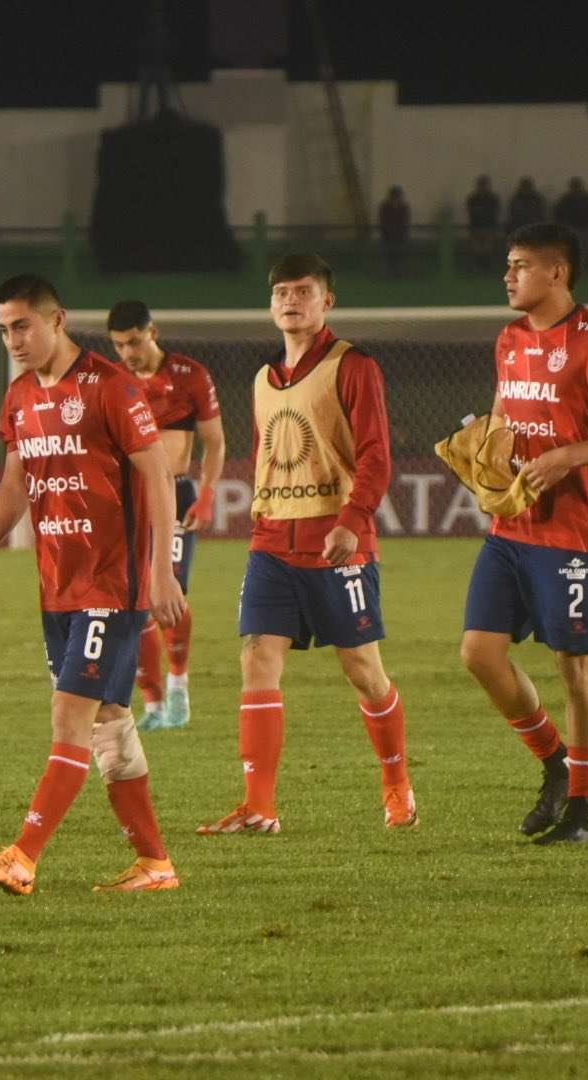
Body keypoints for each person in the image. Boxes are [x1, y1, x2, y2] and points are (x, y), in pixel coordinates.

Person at [0, 274, 187, 896]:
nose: (13, 340)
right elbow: (14, 484)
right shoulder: (21, 396)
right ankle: (155, 864)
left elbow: (159, 476)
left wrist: (161, 568)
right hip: (58, 585)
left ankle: (23, 855)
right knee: (109, 719)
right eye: (4, 329)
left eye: (22, 325)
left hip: (112, 585)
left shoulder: (111, 386)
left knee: (69, 714)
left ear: (57, 321)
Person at [198, 254, 418, 836]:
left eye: (303, 291)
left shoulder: (353, 366)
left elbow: (375, 454)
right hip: (271, 541)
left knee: (363, 670)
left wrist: (354, 517)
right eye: (281, 293)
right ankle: (259, 806)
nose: (290, 301)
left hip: (337, 540)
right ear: (271, 305)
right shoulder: (262, 380)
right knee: (256, 657)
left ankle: (396, 783)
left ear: (328, 302)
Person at [459, 223, 588, 845]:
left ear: (557, 273)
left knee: (574, 666)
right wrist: (485, 449)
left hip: (576, 535)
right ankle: (555, 764)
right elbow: (505, 412)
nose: (508, 276)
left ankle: (582, 812)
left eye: (519, 265)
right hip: (512, 526)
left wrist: (569, 456)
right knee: (479, 653)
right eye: (507, 265)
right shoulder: (510, 338)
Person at [105, 299, 225, 731]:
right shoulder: (114, 380)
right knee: (131, 605)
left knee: (166, 596)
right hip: (128, 500)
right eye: (119, 345)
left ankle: (178, 687)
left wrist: (207, 494)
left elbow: (215, 442)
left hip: (174, 493)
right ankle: (154, 705)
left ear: (152, 333)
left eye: (134, 342)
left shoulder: (189, 376)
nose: (127, 353)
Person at [551, 177, 588, 249]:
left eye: (577, 186)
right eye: (575, 186)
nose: (576, 188)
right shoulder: (566, 199)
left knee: (586, 247)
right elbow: (559, 214)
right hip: (573, 227)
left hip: (586, 227)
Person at [376, 185, 411, 276]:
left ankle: (399, 273)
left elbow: (405, 221)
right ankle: (387, 273)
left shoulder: (403, 207)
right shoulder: (385, 207)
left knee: (399, 256)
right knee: (387, 256)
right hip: (387, 236)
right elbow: (382, 220)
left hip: (399, 236)